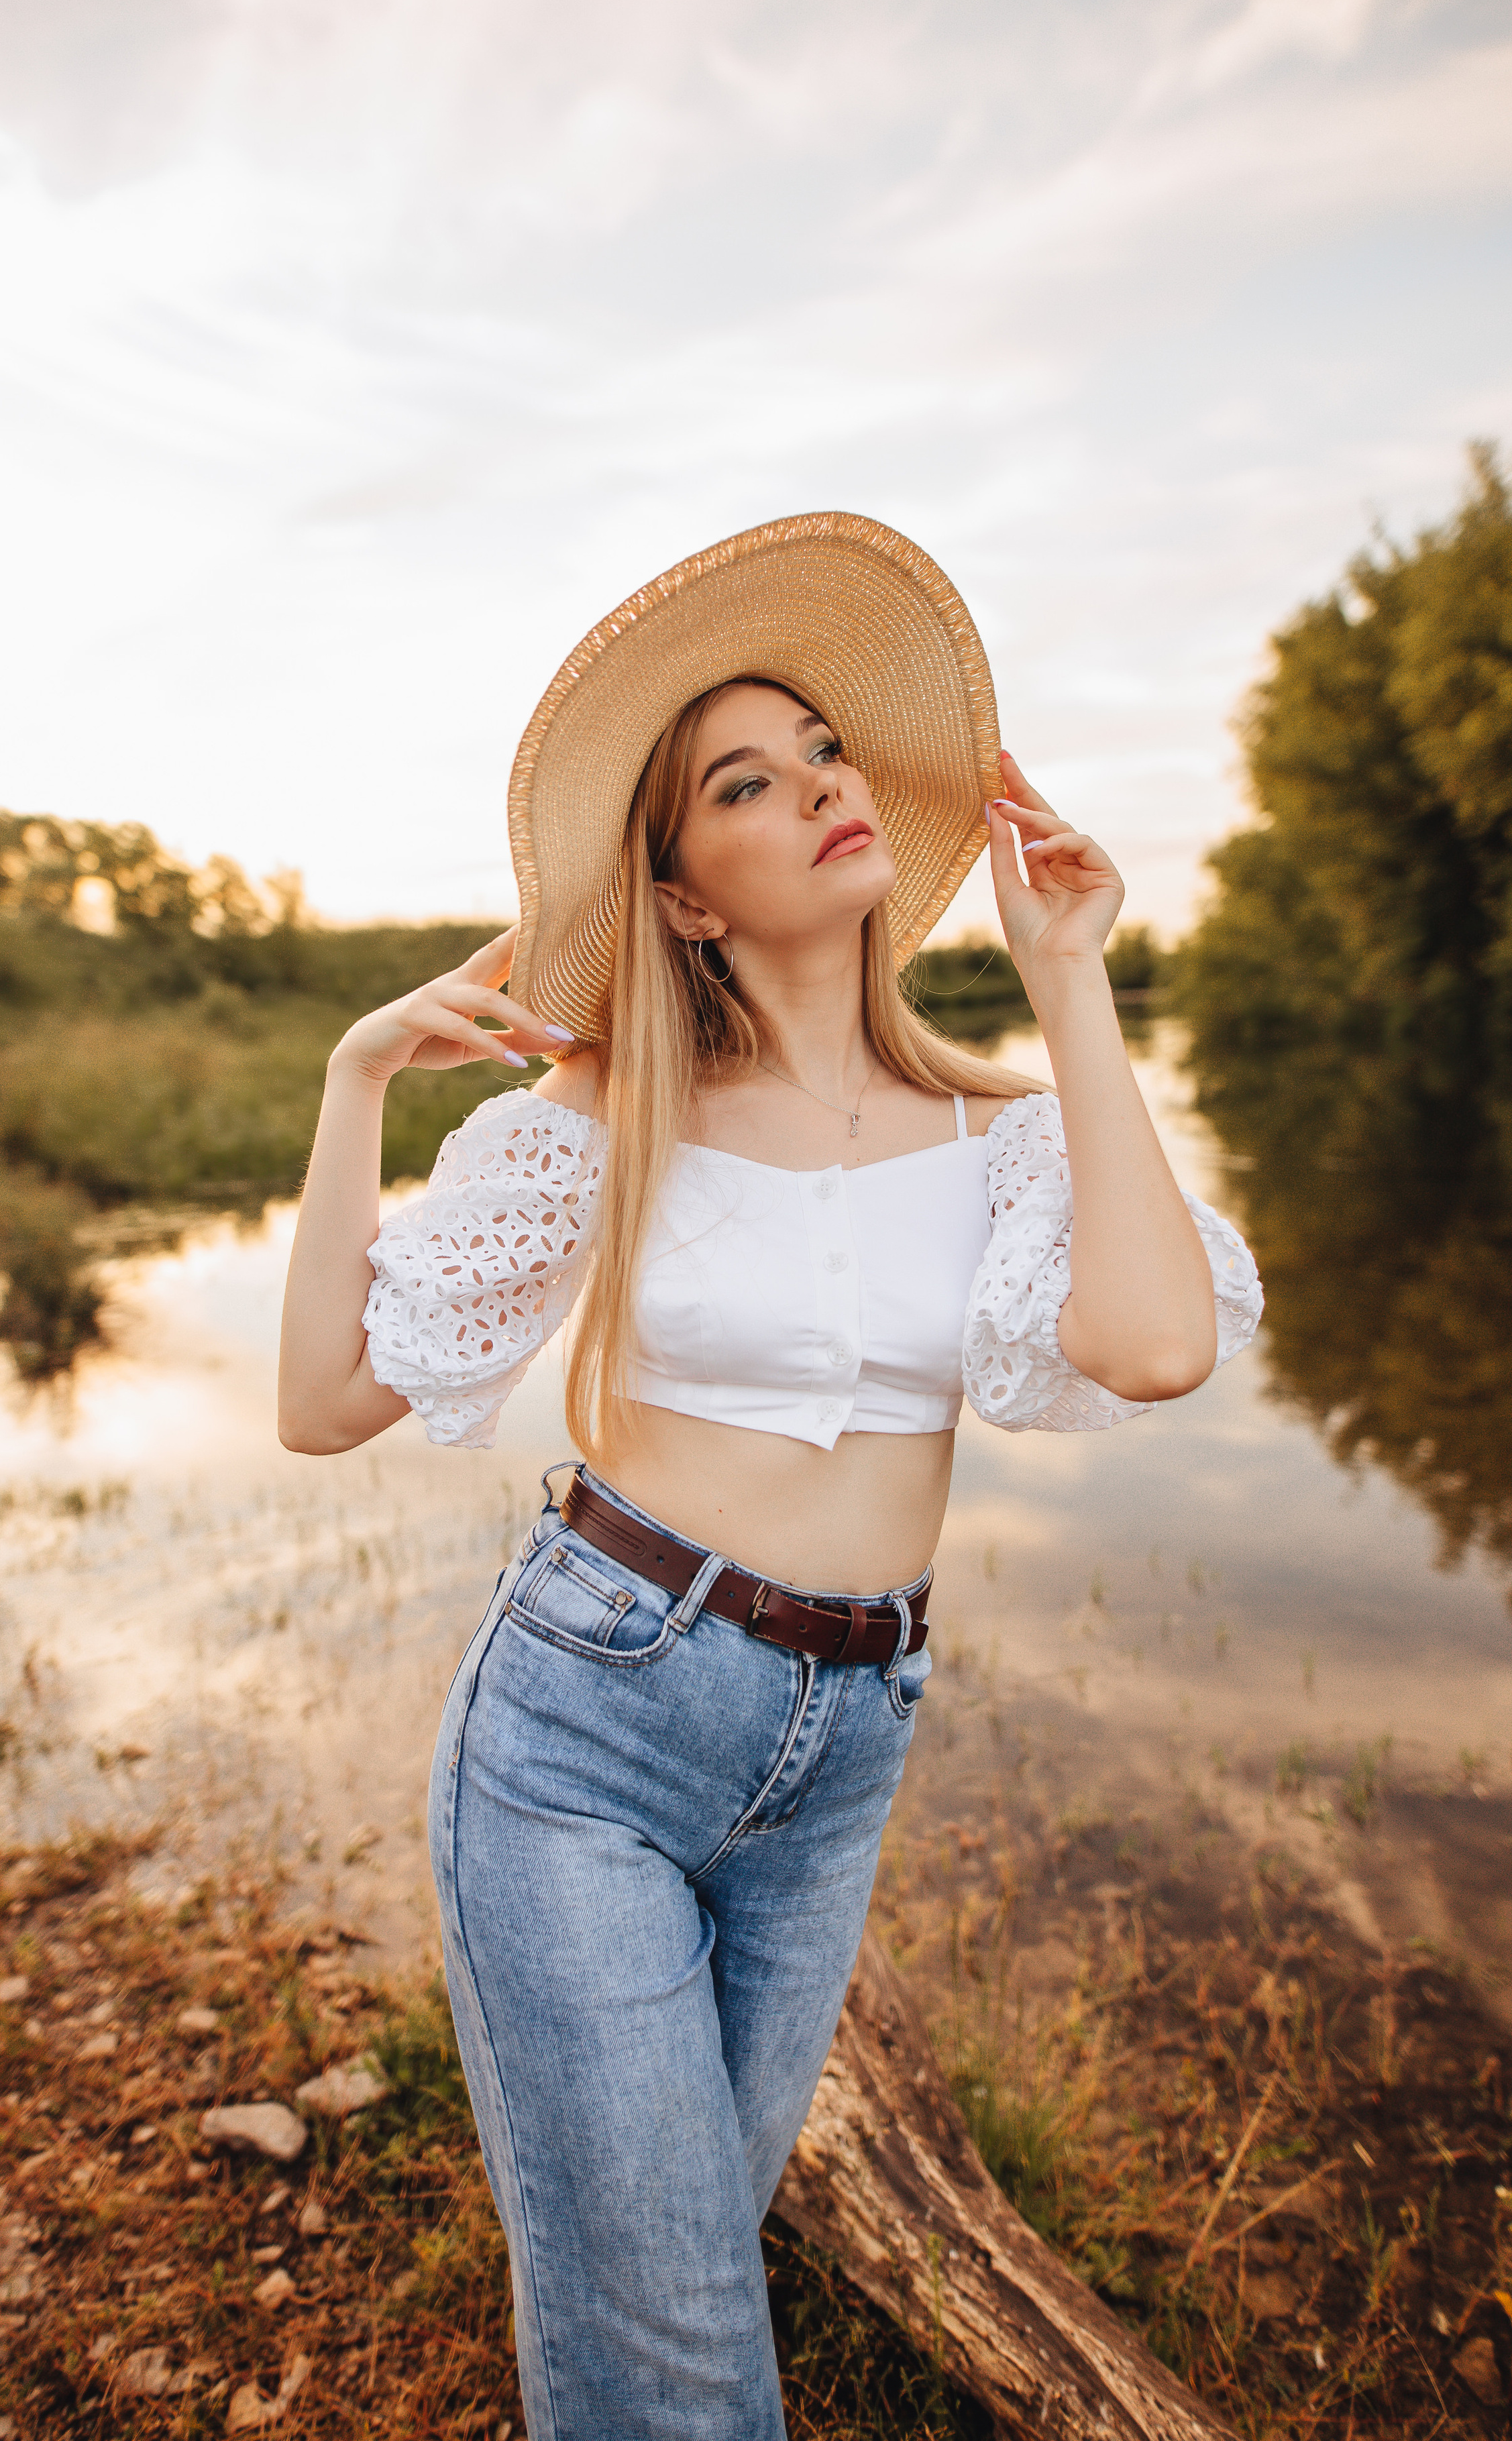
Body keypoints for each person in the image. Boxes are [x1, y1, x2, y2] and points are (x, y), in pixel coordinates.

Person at [278, 513, 1262, 2441]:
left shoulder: (1000, 1136)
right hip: (585, 1732)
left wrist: (1070, 980)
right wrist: (352, 1087)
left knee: (682, 2306)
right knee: (683, 2377)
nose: (820, 785)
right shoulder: (613, 1113)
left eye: (825, 751)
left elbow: (1155, 1345)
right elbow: (325, 1402)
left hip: (843, 1755)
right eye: (750, 779)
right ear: (686, 896)